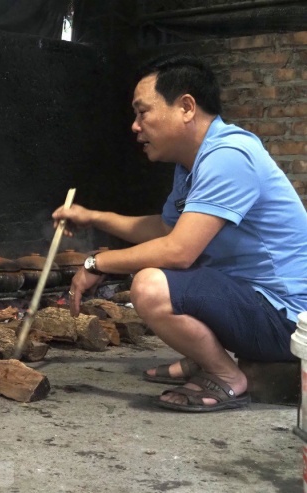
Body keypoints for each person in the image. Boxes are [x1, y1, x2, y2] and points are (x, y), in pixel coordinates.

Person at [52, 53, 307, 412]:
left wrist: (98, 262)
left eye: (143, 112)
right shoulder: (193, 163)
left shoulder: (229, 156)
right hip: (256, 302)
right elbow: (166, 227)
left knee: (151, 285)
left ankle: (225, 375)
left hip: (288, 320)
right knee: (169, 273)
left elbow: (178, 249)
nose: (135, 126)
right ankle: (207, 356)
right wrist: (93, 216)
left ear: (186, 107)